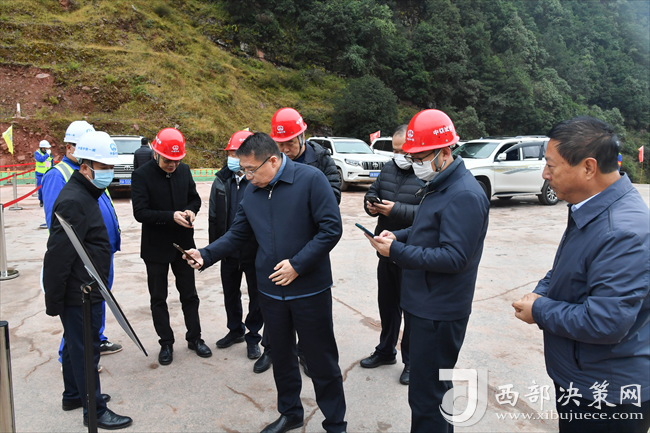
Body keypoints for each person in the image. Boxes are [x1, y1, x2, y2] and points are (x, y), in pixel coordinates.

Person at [183, 133, 347, 433]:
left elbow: (331, 229)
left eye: (250, 170)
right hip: (271, 291)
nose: (247, 176)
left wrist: (298, 265)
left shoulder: (311, 180)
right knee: (281, 357)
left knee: (321, 360)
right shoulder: (253, 191)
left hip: (309, 290)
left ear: (272, 160)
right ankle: (290, 412)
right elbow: (237, 233)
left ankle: (335, 422)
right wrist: (205, 254)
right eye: (243, 170)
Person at [513, 116, 650, 433]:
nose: (545, 174)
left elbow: (606, 321)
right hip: (583, 376)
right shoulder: (591, 207)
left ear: (588, 167)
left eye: (551, 165)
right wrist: (541, 291)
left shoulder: (622, 232)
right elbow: (567, 265)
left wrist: (540, 309)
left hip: (608, 393)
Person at [365, 109, 490, 433]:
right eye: (412, 157)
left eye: (420, 158)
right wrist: (398, 236)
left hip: (439, 311)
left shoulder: (464, 194)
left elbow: (454, 257)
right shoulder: (439, 184)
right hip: (425, 303)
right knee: (428, 394)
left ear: (445, 152)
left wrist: (396, 252)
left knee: (428, 398)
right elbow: (426, 228)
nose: (416, 164)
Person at [43, 131, 132, 430]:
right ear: (85, 167)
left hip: (88, 287)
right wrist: (54, 300)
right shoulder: (74, 200)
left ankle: (73, 395)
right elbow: (58, 255)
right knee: (86, 350)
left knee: (75, 345)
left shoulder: (86, 193)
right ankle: (94, 411)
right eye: (103, 167)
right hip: (80, 292)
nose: (109, 173)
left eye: (111, 167)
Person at [263, 107, 342, 376]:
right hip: (278, 240)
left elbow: (332, 197)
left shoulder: (321, 161)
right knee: (275, 304)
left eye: (290, 143)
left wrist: (300, 201)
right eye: (280, 144)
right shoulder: (272, 160)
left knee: (310, 310)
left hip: (309, 242)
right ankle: (270, 349)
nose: (285, 149)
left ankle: (307, 353)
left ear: (302, 137)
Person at [41, 120, 123, 363]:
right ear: (69, 147)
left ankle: (96, 340)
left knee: (94, 313)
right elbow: (60, 228)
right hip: (80, 264)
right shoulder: (60, 176)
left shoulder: (93, 179)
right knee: (78, 327)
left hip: (99, 255)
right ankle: (77, 359)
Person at [131, 127, 211, 366]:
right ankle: (166, 342)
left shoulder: (184, 171)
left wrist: (191, 210)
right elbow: (140, 212)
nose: (172, 165)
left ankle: (195, 338)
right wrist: (170, 216)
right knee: (158, 297)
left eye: (176, 160)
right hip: (155, 247)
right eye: (168, 160)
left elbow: (194, 198)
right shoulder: (142, 175)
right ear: (156, 153)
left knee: (189, 294)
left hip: (184, 245)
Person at [361, 124, 424, 385]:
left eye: (404, 151)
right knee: (387, 306)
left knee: (410, 309)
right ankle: (386, 350)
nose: (399, 156)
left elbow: (428, 214)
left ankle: (411, 361)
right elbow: (373, 190)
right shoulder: (389, 168)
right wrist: (371, 204)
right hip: (385, 250)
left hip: (411, 253)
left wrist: (395, 210)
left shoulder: (425, 173)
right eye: (395, 150)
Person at [208, 130, 265, 363]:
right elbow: (213, 216)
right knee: (230, 292)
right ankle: (235, 329)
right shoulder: (221, 179)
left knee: (256, 296)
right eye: (230, 153)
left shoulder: (259, 181)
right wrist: (214, 250)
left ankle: (253, 337)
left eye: (236, 153)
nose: (232, 157)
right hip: (228, 250)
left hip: (253, 250)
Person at [34, 139, 53, 215]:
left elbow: (51, 162)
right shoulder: (37, 153)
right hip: (40, 174)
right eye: (46, 148)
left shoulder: (49, 154)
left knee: (48, 188)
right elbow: (41, 160)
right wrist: (47, 154)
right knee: (40, 189)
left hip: (48, 173)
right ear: (42, 148)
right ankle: (41, 200)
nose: (48, 149)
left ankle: (47, 201)